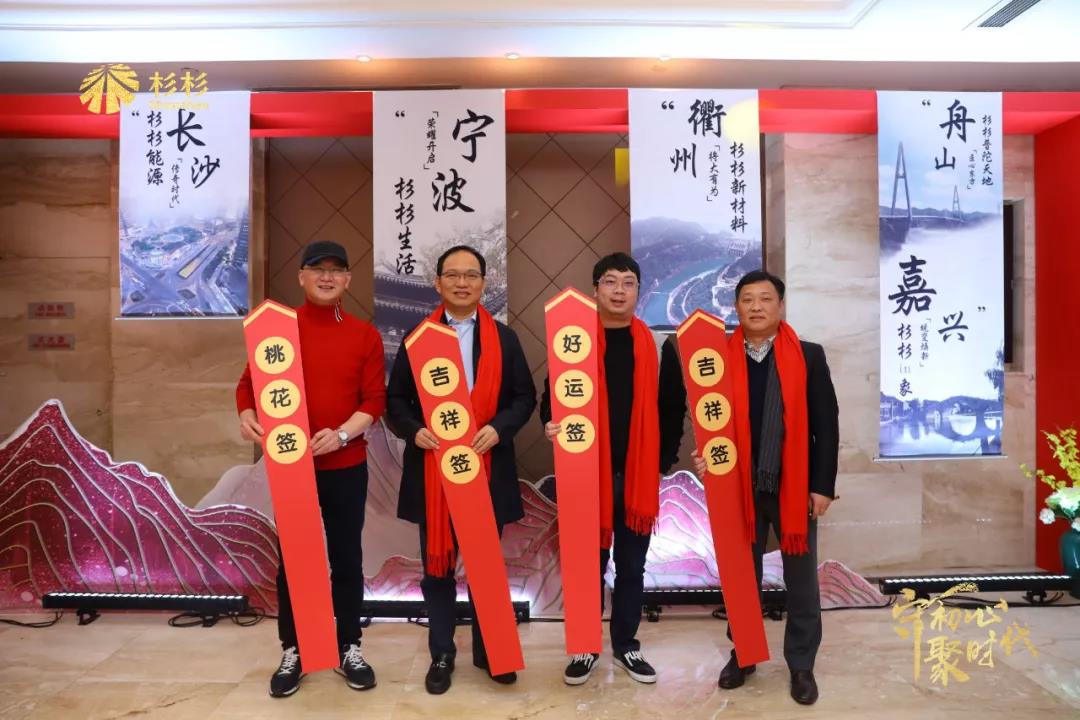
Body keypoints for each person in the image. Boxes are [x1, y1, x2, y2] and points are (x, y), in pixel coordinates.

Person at [235, 240, 385, 698]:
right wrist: (247, 415)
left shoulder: (364, 334)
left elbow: (374, 401)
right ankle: (294, 648)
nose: (327, 277)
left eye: (336, 270)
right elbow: (247, 386)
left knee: (347, 558)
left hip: (346, 463)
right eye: (317, 269)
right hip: (291, 467)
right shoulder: (278, 329)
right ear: (301, 276)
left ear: (348, 280)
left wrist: (341, 434)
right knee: (295, 559)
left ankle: (349, 645)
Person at [385, 244, 536, 695]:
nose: (462, 282)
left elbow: (524, 398)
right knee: (438, 569)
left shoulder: (504, 338)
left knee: (486, 565)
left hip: (487, 466)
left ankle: (492, 652)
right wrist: (414, 430)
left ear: (484, 283)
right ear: (438, 282)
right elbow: (395, 400)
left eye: (471, 275)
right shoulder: (418, 337)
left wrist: (498, 429)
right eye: (453, 274)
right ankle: (442, 653)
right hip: (434, 470)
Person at [693, 269, 839, 706]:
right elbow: (709, 420)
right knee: (741, 577)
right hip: (736, 486)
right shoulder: (717, 357)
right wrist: (706, 456)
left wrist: (822, 486)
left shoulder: (808, 355)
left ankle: (801, 664)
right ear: (735, 307)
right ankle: (744, 654)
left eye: (765, 299)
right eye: (747, 299)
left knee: (801, 581)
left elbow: (827, 426)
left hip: (794, 486)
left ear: (781, 305)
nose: (756, 307)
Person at [540, 252, 687, 686]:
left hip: (637, 477)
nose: (619, 291)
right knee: (586, 566)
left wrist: (659, 464)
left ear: (639, 291)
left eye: (628, 283)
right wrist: (550, 423)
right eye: (610, 282)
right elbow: (551, 397)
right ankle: (585, 647)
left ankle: (626, 645)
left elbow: (673, 409)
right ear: (595, 289)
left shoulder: (658, 346)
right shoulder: (573, 341)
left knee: (631, 567)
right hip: (586, 476)